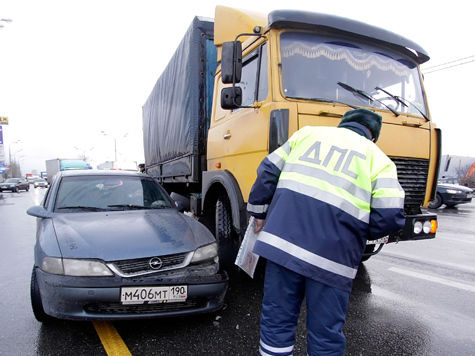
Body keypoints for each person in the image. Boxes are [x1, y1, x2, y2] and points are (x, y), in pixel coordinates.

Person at [247, 108, 405, 356]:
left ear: (343, 125)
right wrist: (355, 234)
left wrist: (258, 212)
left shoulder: (306, 135)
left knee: (277, 322)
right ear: (373, 136)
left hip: (282, 247)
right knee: (325, 335)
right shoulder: (379, 160)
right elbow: (390, 217)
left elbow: (267, 171)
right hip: (333, 259)